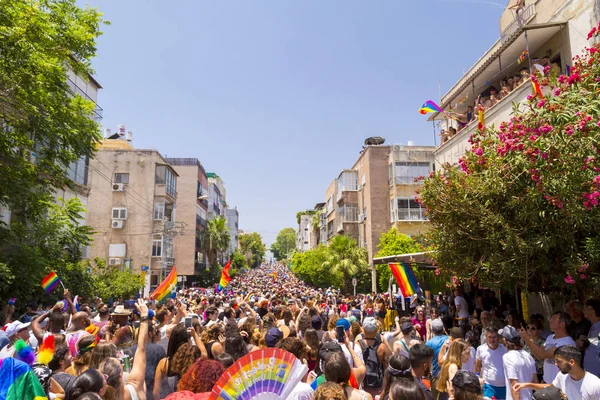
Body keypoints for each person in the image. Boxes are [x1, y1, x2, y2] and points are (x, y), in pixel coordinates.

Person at [100, 298, 149, 400]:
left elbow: (110, 346)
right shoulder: (133, 391)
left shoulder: (123, 330)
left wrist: (108, 333)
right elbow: (142, 347)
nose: (112, 318)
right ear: (121, 377)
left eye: (115, 316)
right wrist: (144, 317)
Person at [514, 345, 600, 400]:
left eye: (559, 361)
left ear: (572, 362)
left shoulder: (595, 384)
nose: (556, 364)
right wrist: (526, 385)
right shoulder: (562, 376)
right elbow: (550, 388)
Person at [519, 311, 576, 383]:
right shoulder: (550, 337)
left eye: (553, 319)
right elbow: (539, 356)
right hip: (547, 382)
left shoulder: (567, 342)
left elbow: (543, 354)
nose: (550, 320)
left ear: (562, 324)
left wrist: (527, 339)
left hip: (559, 385)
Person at [499, 326, 537, 400]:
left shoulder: (507, 357)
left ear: (504, 340)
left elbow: (515, 386)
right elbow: (535, 382)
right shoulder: (528, 355)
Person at [475, 327, 507, 399]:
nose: (492, 340)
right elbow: (477, 365)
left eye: (494, 337)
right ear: (486, 337)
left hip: (503, 387)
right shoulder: (480, 349)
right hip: (488, 386)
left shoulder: (505, 349)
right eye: (489, 337)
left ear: (498, 337)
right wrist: (477, 379)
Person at [425, 319, 449, 400]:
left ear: (432, 330)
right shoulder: (449, 339)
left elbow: (427, 361)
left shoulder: (429, 343)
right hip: (448, 375)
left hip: (435, 375)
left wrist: (428, 373)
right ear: (443, 329)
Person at [581, 298, 600, 376]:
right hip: (591, 374)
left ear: (592, 311)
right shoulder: (593, 327)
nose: (582, 311)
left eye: (585, 309)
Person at [523, 317, 545, 382]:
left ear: (539, 330)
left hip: (539, 374)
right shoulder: (526, 341)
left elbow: (540, 357)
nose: (530, 330)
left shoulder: (544, 343)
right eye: (528, 327)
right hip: (528, 372)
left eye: (533, 328)